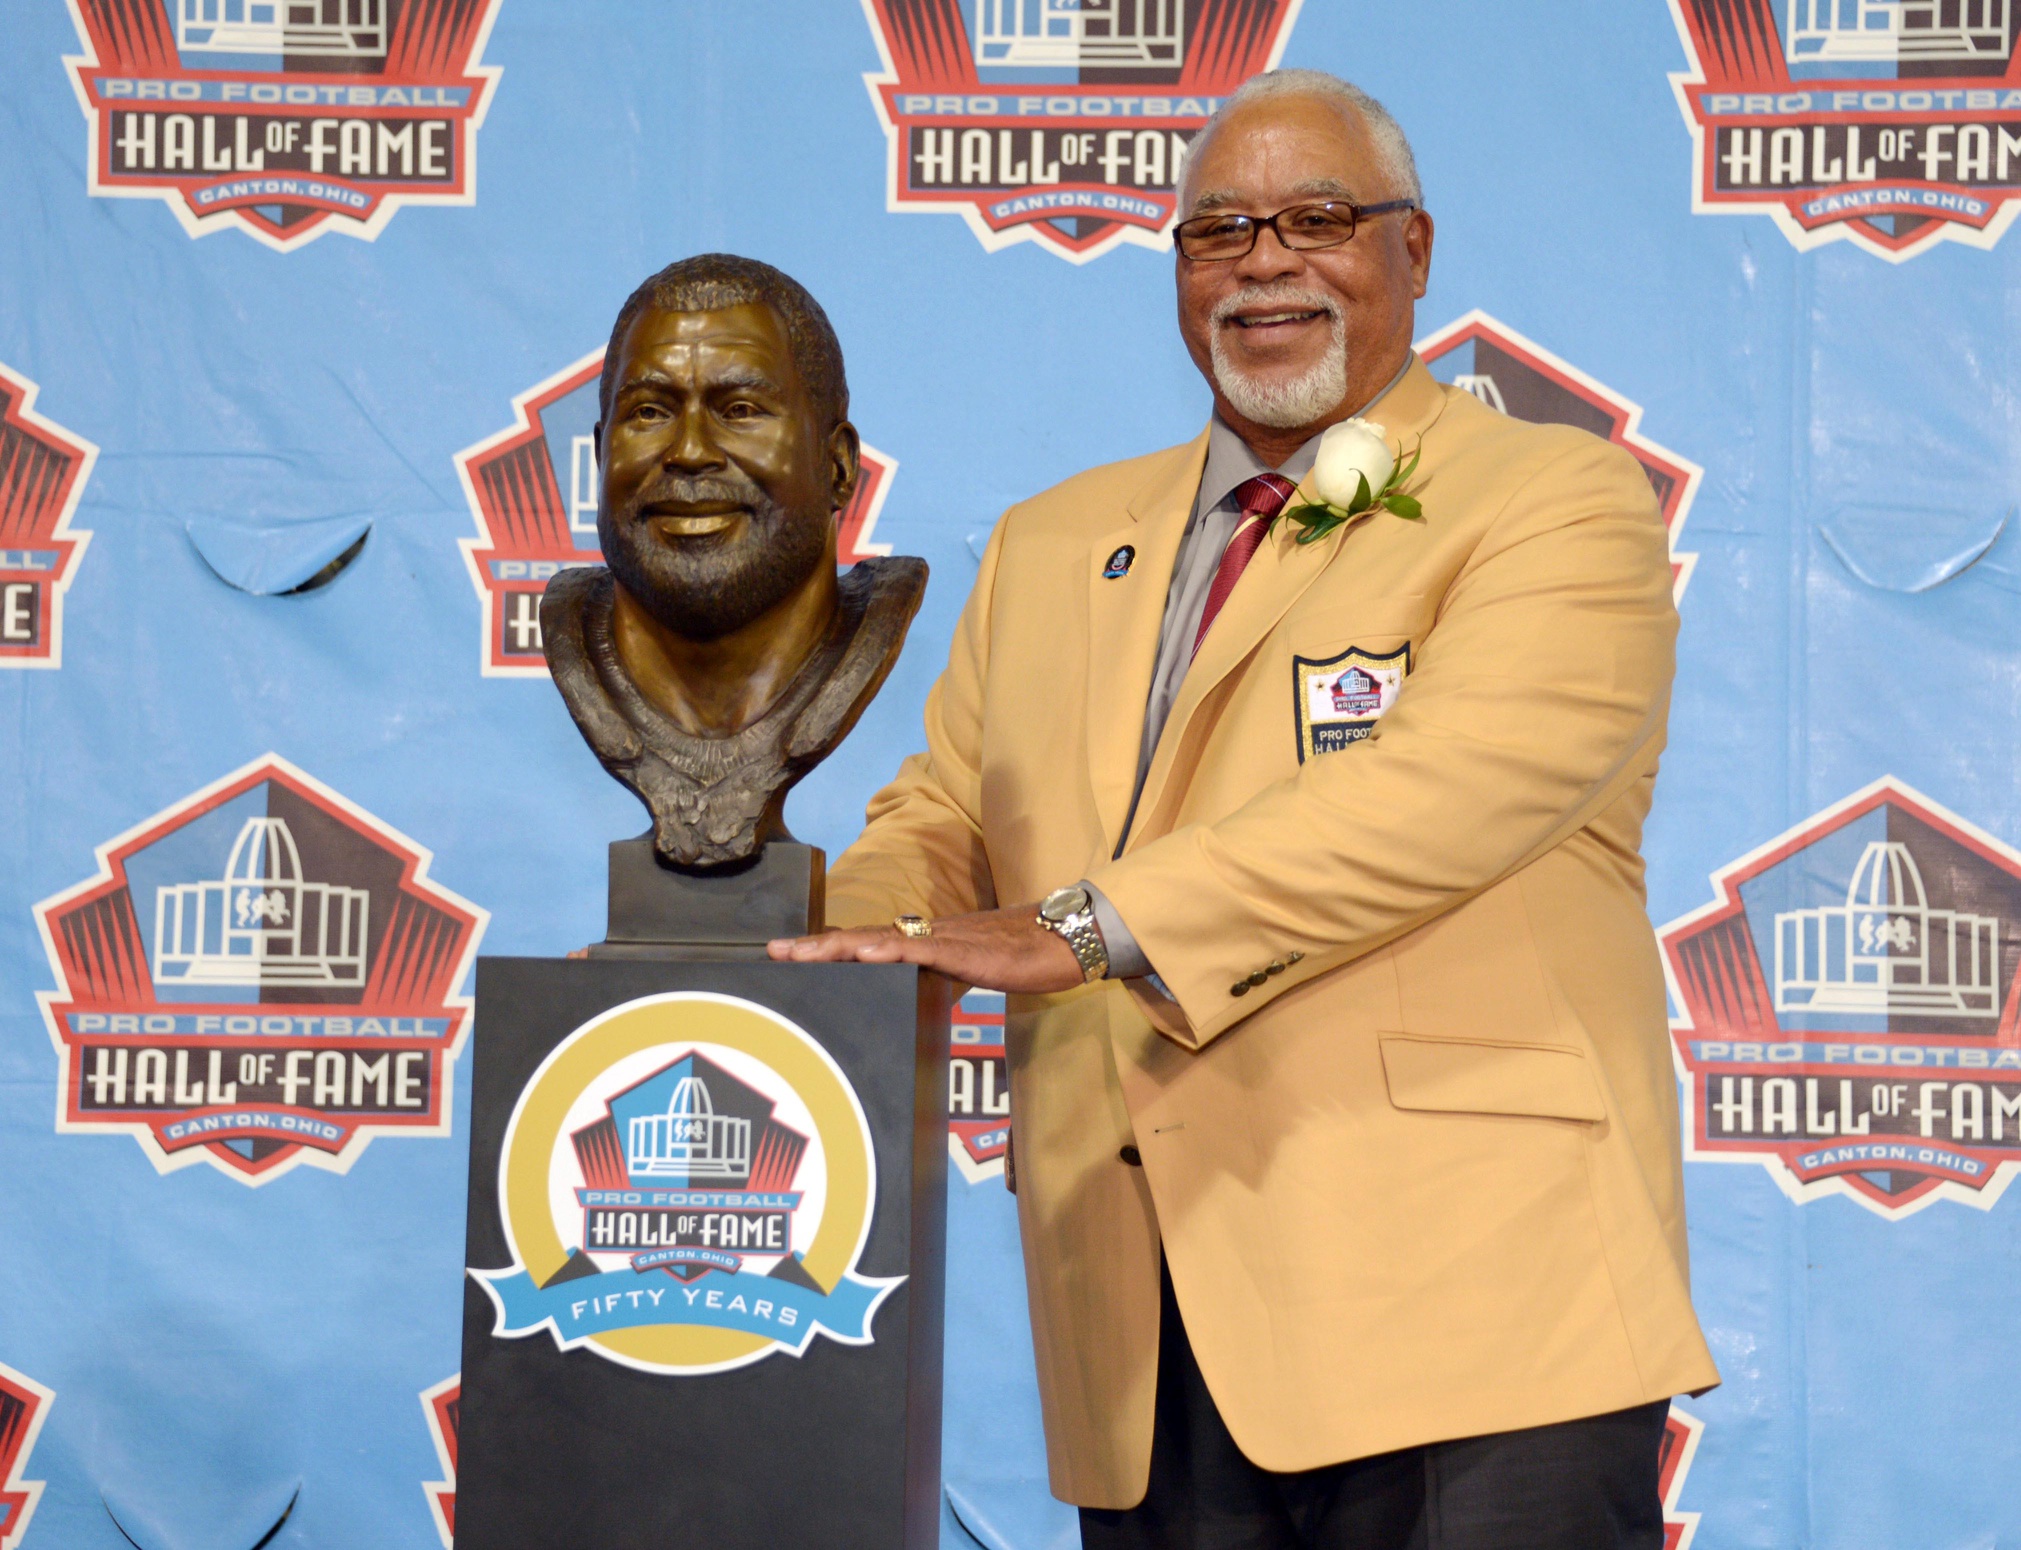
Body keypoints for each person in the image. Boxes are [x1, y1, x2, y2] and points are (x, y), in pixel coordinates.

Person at [773, 69, 1719, 1548]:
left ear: (1412, 252)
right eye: (1218, 231)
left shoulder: (1553, 500)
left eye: (1317, 218)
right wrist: (766, 943)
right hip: (1141, 1324)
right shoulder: (1052, 538)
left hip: (1473, 1320)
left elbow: (1443, 796)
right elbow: (946, 813)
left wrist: (1081, 926)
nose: (1264, 259)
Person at [542, 254, 925, 867]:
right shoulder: (575, 640)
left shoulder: (870, 632)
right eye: (649, 412)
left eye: (740, 409)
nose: (690, 451)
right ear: (600, 452)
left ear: (839, 467)